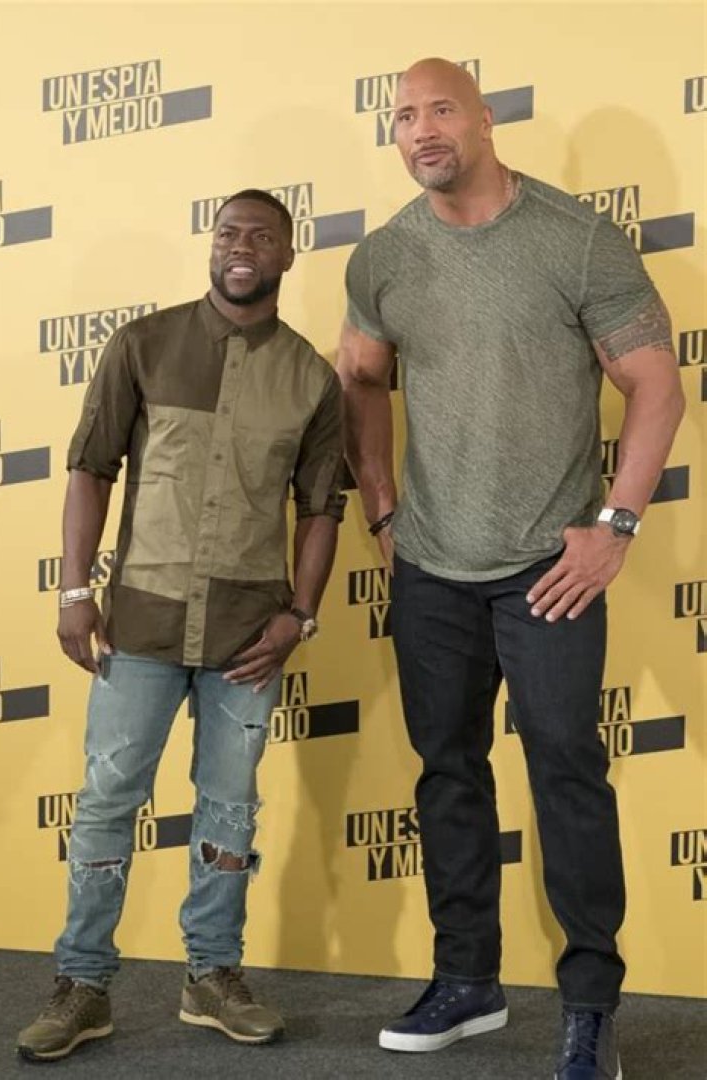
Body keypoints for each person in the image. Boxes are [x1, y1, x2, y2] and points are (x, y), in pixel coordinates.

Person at [337, 58, 685, 1080]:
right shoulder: (383, 256)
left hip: (549, 568)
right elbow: (359, 376)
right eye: (405, 115)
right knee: (447, 772)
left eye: (441, 109)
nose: (421, 129)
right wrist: (381, 504)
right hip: (431, 569)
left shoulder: (575, 238)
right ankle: (467, 981)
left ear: (485, 120)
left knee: (567, 772)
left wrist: (614, 526)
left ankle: (590, 1007)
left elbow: (656, 386)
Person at [17, 190, 345, 1061]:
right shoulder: (143, 345)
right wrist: (73, 593)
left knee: (230, 809)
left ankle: (212, 975)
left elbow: (321, 509)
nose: (242, 247)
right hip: (141, 626)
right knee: (106, 803)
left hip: (248, 638)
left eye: (262, 236)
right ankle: (83, 985)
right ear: (212, 244)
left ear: (287, 255)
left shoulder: (311, 378)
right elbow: (90, 469)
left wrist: (301, 616)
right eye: (229, 232)